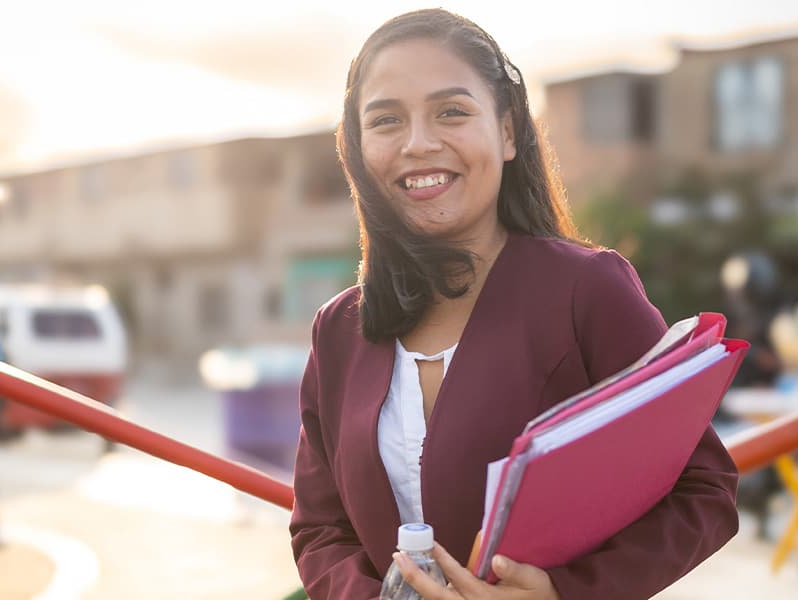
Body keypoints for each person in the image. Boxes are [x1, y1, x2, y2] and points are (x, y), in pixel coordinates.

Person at [289, 9, 739, 600]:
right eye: (386, 120)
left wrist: (567, 593)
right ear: (357, 148)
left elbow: (703, 488)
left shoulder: (587, 290)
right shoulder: (339, 330)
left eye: (451, 111)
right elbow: (320, 527)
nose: (419, 143)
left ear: (506, 132)